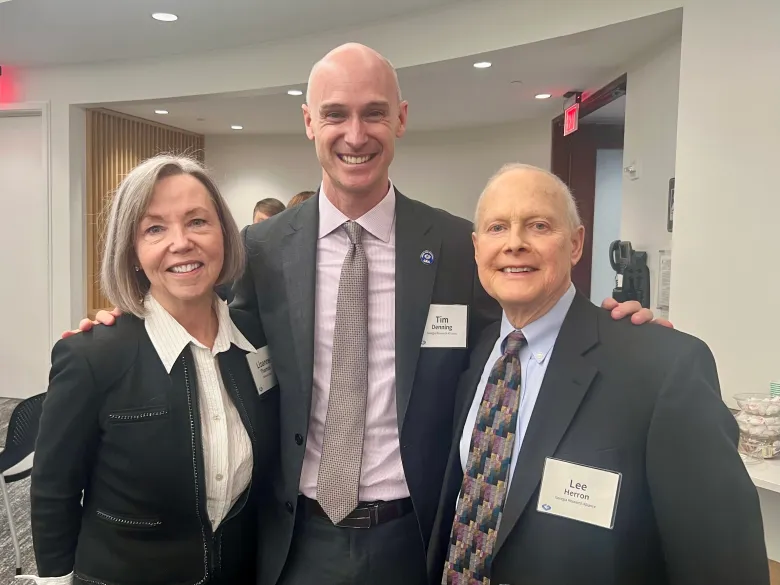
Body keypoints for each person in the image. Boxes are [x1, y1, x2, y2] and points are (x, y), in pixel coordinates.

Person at [77, 44, 664, 585]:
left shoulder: (460, 248)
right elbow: (198, 323)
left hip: (414, 540)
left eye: (374, 113)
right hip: (291, 540)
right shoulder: (256, 251)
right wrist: (119, 326)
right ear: (309, 122)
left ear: (401, 119)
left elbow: (532, 317)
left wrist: (612, 332)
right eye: (335, 114)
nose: (355, 134)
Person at [427, 163, 768, 585]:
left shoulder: (661, 368)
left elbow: (724, 563)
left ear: (575, 244)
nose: (514, 244)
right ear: (477, 248)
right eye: (498, 228)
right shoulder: (478, 357)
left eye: (537, 225)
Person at [27, 155, 279, 585]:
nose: (181, 242)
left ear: (224, 234)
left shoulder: (257, 339)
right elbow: (54, 491)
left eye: (198, 221)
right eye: (155, 228)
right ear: (133, 252)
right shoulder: (92, 356)